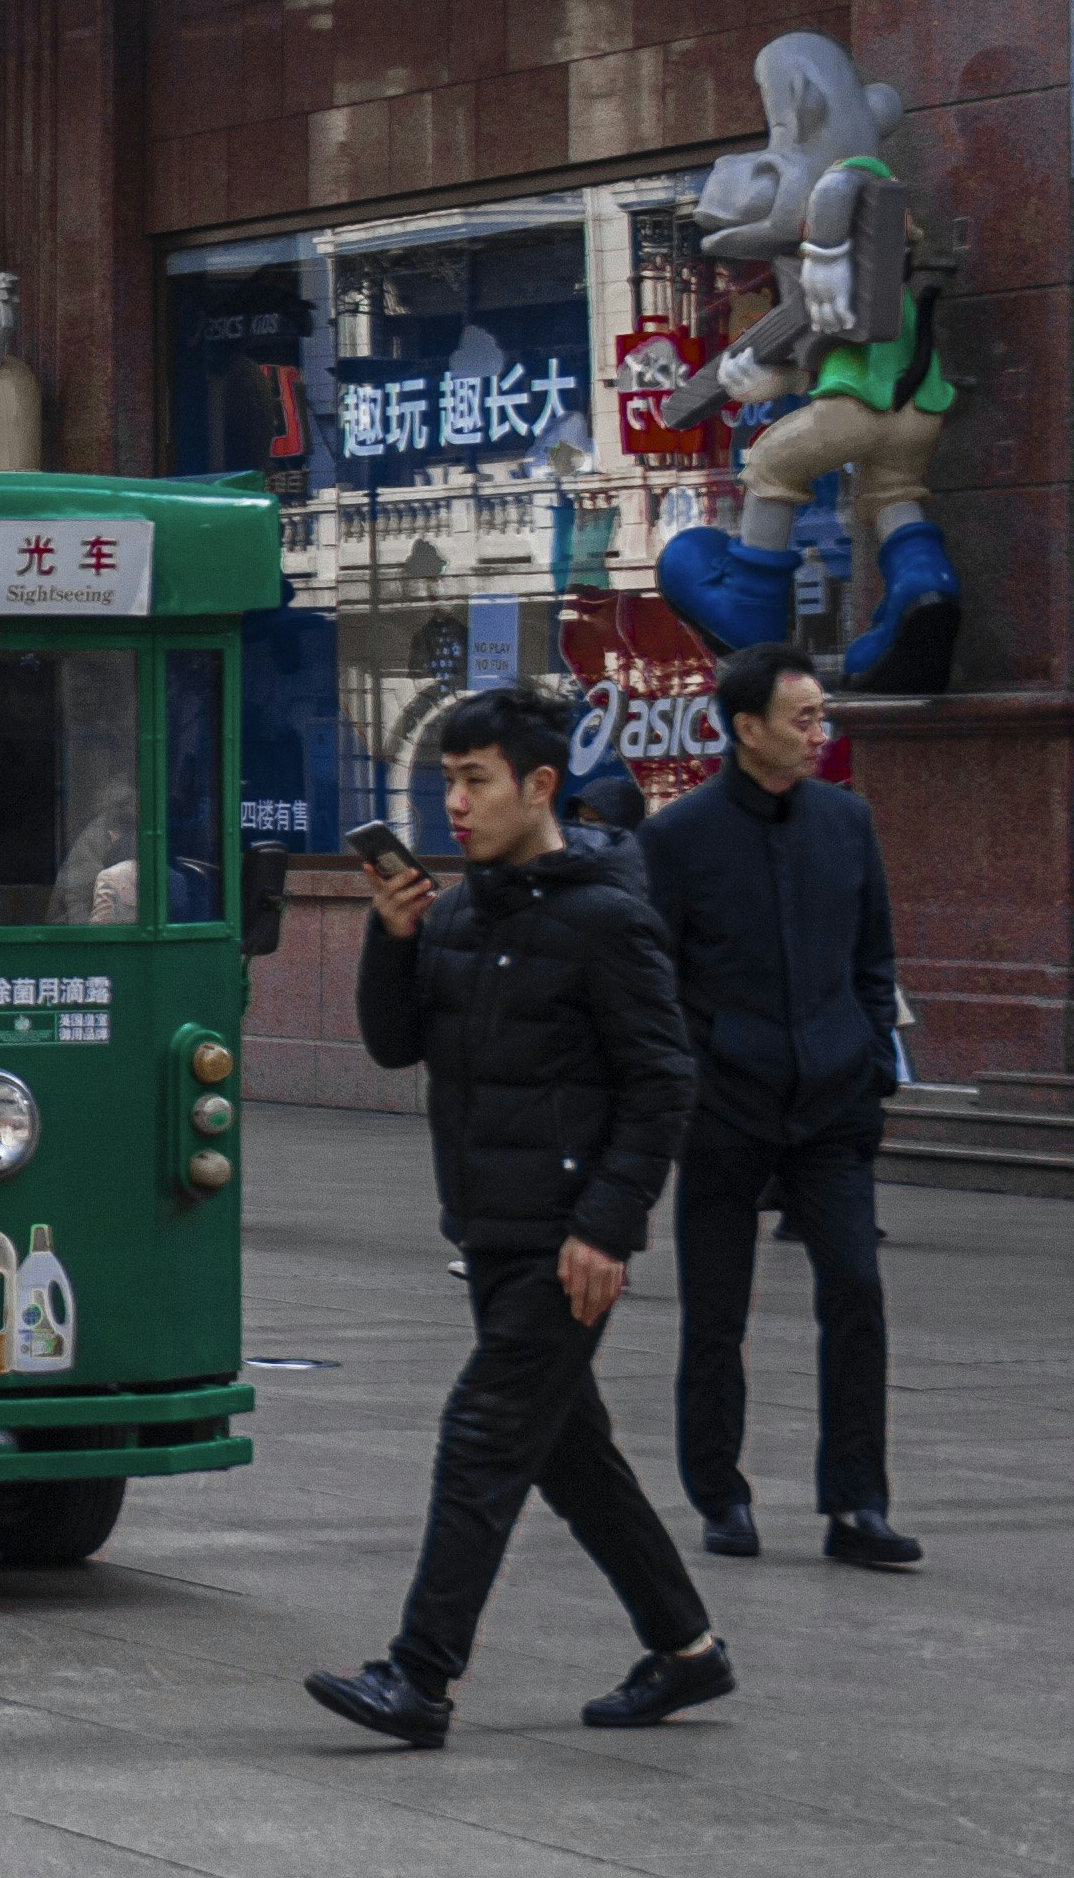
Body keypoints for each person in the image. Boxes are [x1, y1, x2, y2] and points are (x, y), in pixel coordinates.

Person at [307, 686, 729, 1748]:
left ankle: (420, 1678)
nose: (455, 802)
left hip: (564, 1238)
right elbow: (395, 1046)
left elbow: (664, 1079)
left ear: (539, 786)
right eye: (447, 780)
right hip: (487, 1230)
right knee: (569, 1452)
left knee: (484, 1436)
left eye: (476, 780)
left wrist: (610, 1226)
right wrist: (390, 938)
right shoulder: (454, 912)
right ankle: (688, 1650)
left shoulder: (608, 917)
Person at [640, 645, 921, 1569]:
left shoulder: (849, 823)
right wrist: (700, 1078)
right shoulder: (678, 838)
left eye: (823, 716)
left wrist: (872, 1054)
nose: (819, 733)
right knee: (716, 1313)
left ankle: (858, 1505)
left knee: (856, 1290)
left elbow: (874, 960)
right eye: (802, 719)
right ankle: (720, 1494)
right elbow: (657, 980)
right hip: (727, 1108)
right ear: (746, 728)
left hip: (834, 1104)